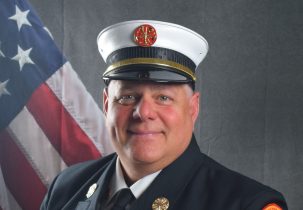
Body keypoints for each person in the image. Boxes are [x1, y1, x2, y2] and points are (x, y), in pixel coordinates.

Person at [40, 20, 287, 210]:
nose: (143, 113)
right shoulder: (65, 190)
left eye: (163, 98)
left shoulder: (247, 204)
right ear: (106, 105)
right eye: (127, 97)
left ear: (192, 108)